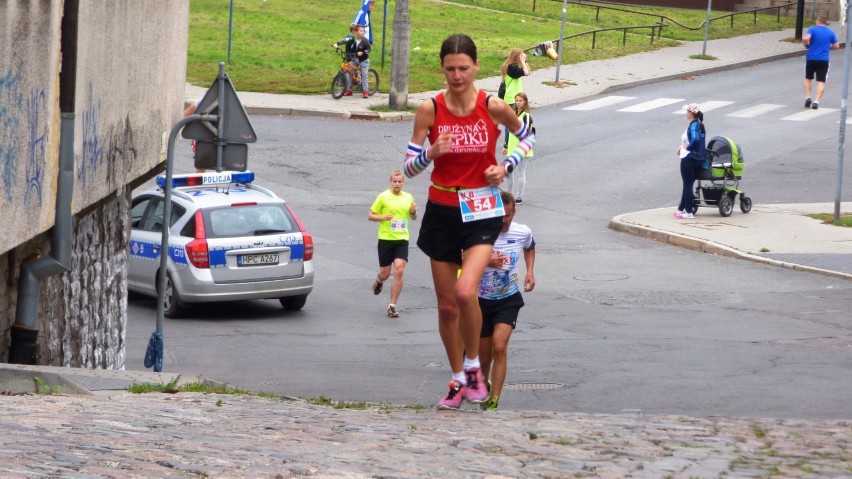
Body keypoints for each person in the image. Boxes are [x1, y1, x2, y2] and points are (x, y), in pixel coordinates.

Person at [403, 33, 535, 410]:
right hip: (442, 207)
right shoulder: (429, 109)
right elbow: (409, 168)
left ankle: (475, 367)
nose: (457, 75)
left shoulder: (492, 105)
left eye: (463, 68)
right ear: (442, 69)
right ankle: (459, 376)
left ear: (476, 67)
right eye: (450, 69)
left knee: (465, 293)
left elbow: (526, 139)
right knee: (447, 306)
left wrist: (505, 166)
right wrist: (430, 152)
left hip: (481, 207)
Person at [478, 190, 535, 411]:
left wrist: (530, 272)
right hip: (481, 300)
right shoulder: (480, 233)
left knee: (499, 347)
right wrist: (486, 262)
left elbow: (530, 247)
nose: (503, 221)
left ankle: (494, 398)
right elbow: (461, 258)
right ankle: (484, 386)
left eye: (508, 216)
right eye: (500, 216)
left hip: (508, 298)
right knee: (484, 358)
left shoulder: (522, 232)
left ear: (514, 213)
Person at [368, 170, 417, 318]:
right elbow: (370, 215)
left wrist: (414, 212)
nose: (397, 184)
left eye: (399, 181)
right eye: (394, 181)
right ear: (390, 182)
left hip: (402, 240)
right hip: (385, 239)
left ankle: (392, 305)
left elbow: (413, 217)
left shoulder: (408, 197)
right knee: (385, 273)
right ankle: (379, 281)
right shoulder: (383, 197)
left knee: (399, 270)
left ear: (403, 183)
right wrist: (383, 217)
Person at [675, 103, 706, 219]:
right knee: (688, 184)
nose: (686, 113)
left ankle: (688, 212)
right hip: (698, 159)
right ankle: (680, 208)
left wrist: (688, 147)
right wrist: (682, 146)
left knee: (687, 185)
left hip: (689, 158)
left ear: (691, 113)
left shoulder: (693, 125)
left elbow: (695, 139)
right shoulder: (700, 124)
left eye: (687, 111)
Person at [502, 92, 534, 204]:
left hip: (522, 149)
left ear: (525, 102)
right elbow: (508, 130)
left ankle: (519, 197)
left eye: (520, 100)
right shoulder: (513, 113)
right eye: (517, 100)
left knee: (520, 173)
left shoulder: (526, 115)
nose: (518, 102)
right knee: (508, 172)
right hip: (511, 148)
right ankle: (508, 196)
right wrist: (505, 145)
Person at [803, 16, 840, 110]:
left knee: (808, 78)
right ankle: (816, 101)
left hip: (811, 58)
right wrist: (828, 48)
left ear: (818, 22)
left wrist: (806, 43)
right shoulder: (830, 32)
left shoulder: (812, 29)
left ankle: (808, 97)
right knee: (821, 81)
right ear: (825, 22)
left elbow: (806, 38)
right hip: (823, 60)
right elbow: (837, 46)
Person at [333, 23, 372, 98]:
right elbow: (345, 40)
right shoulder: (352, 38)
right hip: (355, 59)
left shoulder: (365, 41)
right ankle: (349, 89)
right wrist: (337, 44)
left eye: (363, 31)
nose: (362, 32)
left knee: (364, 74)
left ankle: (365, 91)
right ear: (356, 32)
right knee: (349, 71)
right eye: (361, 31)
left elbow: (369, 49)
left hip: (364, 60)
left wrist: (363, 52)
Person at [500, 48, 531, 141]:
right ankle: (508, 140)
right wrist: (522, 61)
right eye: (520, 56)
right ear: (516, 57)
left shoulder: (513, 67)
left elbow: (529, 72)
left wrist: (525, 61)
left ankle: (513, 139)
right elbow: (525, 73)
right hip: (511, 98)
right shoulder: (511, 68)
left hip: (516, 97)